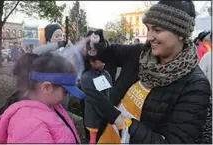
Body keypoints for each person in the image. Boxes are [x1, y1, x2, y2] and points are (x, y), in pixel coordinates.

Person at [83, 0, 211, 143]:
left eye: (157, 30)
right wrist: (98, 45)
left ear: (181, 33)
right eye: (148, 29)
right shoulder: (140, 53)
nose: (149, 37)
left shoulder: (195, 86)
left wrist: (119, 119)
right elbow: (109, 52)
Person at [0, 52, 86, 143]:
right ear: (46, 87)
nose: (67, 96)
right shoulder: (28, 125)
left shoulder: (52, 105)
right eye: (65, 92)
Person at [80, 53, 113, 144]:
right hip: (94, 116)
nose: (103, 62)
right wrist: (106, 114)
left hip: (106, 114)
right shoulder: (86, 77)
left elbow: (110, 91)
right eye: (101, 60)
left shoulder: (106, 73)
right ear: (91, 62)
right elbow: (93, 99)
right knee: (94, 140)